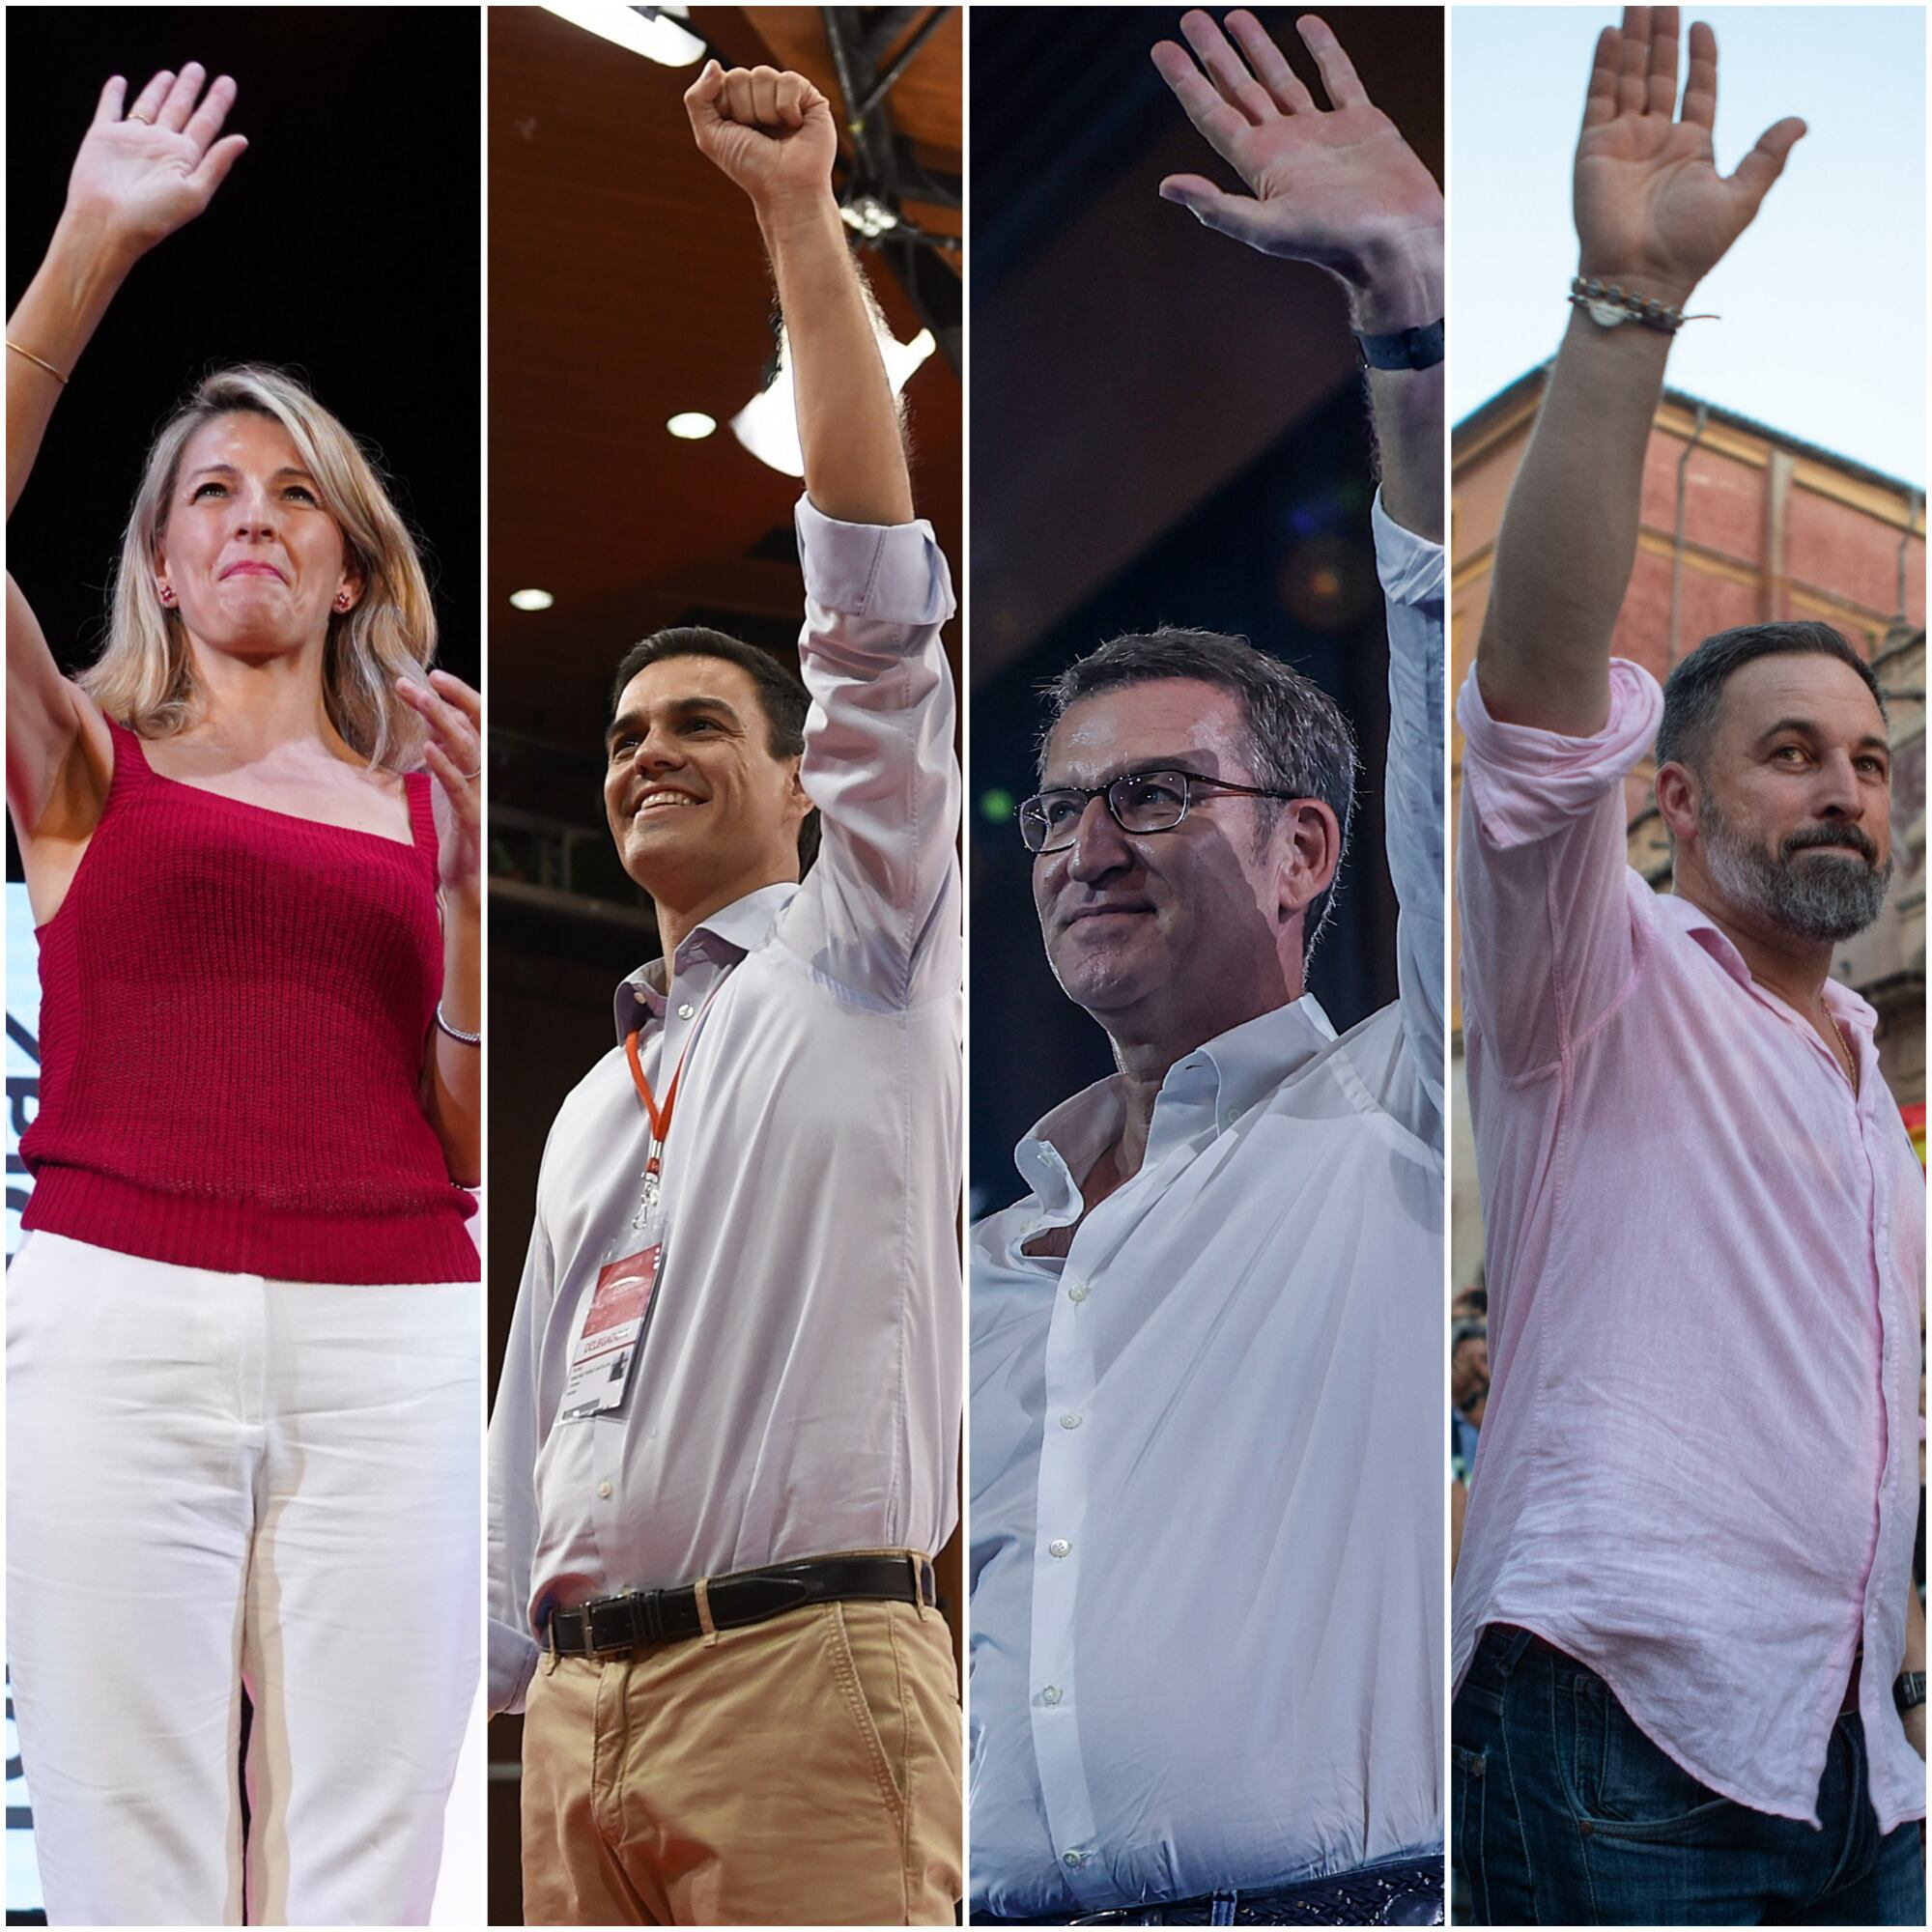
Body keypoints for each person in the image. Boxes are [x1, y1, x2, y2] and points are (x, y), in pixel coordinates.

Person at [969, 12, 1445, 1923]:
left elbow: (1470, 784)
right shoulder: (990, 1242)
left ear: (1305, 846)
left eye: (1156, 793)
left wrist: (1410, 335)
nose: (1086, 845)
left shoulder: (1401, 1116)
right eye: (1060, 809)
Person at [1451, 9, 1925, 1923]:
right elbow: (1535, 697)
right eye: (1790, 753)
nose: (1844, 793)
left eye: (1873, 763)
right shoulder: (1599, 977)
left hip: (1850, 1754)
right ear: (1665, 804)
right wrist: (1625, 302)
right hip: (1614, 1723)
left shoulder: (1861, 1078)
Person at [486, 59, 963, 1927]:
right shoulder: (600, 1095)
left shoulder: (872, 946)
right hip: (575, 1714)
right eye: (618, 737)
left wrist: (792, 216)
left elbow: (868, 601)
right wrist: (510, 1705)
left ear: (803, 783)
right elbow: (527, 1420)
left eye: (698, 724)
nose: (642, 756)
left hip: (804, 1679)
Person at [5, 67, 483, 1927]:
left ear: (352, 557)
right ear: (164, 559)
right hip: (119, 1311)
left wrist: (452, 896)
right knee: (138, 1854)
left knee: (373, 1863)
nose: (255, 516)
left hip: (397, 1335)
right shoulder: (84, 761)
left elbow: (459, 1136)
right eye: (212, 491)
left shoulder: (429, 799)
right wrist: (86, 256)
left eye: (297, 492)